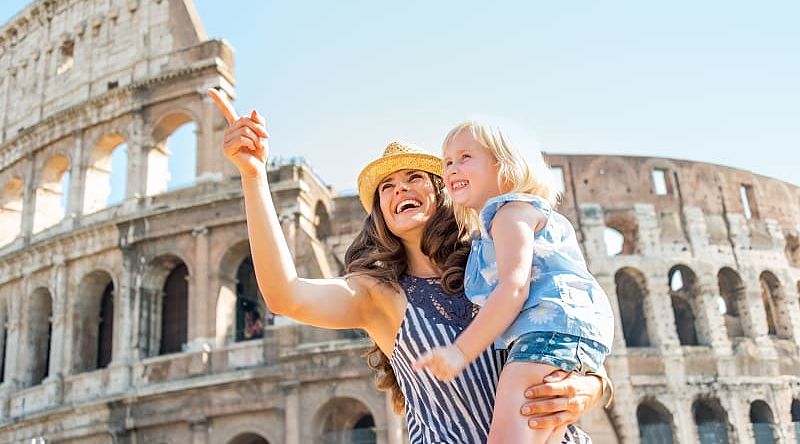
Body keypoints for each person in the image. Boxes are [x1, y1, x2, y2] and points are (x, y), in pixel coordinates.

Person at [207, 89, 609, 443]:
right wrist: (254, 177)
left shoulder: (492, 262)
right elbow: (285, 295)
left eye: (415, 176)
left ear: (444, 193)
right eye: (387, 186)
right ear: (381, 212)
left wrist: (592, 385)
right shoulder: (375, 294)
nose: (400, 187)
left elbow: (567, 325)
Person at [414, 120, 615, 443]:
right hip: (562, 338)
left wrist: (459, 352)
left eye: (465, 157)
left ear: (505, 166)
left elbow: (514, 287)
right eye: (447, 161)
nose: (451, 169)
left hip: (544, 337)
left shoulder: (509, 215)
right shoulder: (508, 219)